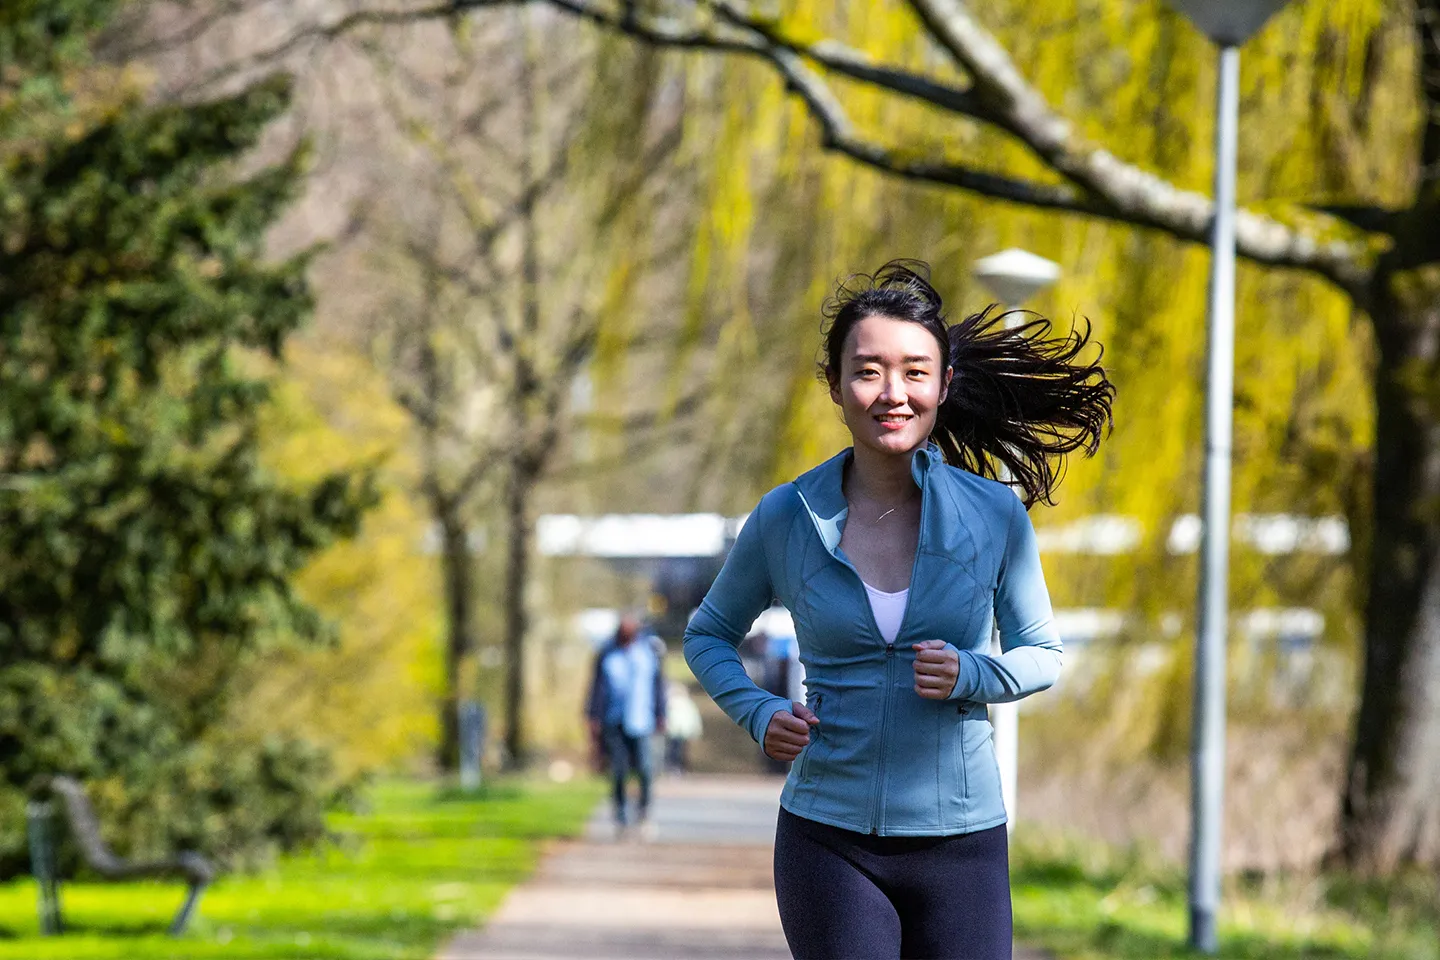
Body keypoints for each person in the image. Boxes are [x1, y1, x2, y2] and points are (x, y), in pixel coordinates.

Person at [683, 261, 1114, 960]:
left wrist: (972, 673)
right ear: (835, 385)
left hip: (961, 843)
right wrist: (759, 714)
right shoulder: (786, 517)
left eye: (915, 372)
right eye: (868, 371)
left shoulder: (996, 516)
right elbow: (707, 634)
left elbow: (1043, 653)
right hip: (828, 838)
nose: (893, 393)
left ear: (944, 385)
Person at [586, 614, 666, 836]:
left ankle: (644, 813)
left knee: (645, 770)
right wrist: (593, 716)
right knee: (618, 771)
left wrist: (662, 714)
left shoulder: (650, 652)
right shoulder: (606, 653)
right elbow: (596, 687)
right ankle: (620, 816)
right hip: (614, 720)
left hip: (642, 720)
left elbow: (659, 685)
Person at [663, 680, 703, 774]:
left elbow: (693, 717)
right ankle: (674, 767)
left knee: (680, 751)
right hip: (674, 731)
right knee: (674, 750)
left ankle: (680, 767)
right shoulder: (672, 703)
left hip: (682, 731)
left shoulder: (685, 703)